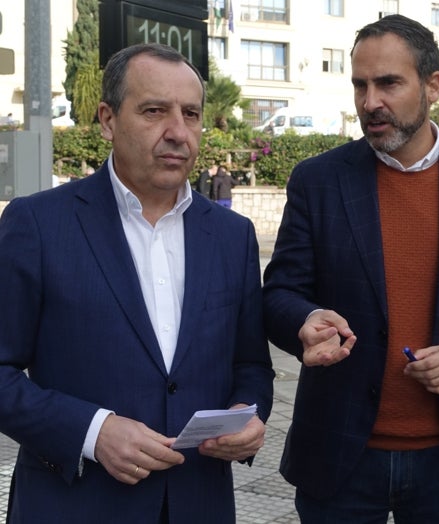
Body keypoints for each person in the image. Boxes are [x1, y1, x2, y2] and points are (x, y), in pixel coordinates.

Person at [263, 14, 439, 523]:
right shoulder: (318, 180)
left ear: (432, 85)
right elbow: (279, 291)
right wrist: (303, 321)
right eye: (360, 85)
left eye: (389, 83)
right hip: (338, 455)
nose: (371, 102)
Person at [0, 43, 274, 523]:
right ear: (107, 119)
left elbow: (250, 362)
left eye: (191, 114)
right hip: (76, 506)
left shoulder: (233, 235)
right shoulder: (39, 224)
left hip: (199, 503)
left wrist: (248, 415)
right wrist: (92, 432)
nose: (178, 132)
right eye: (154, 111)